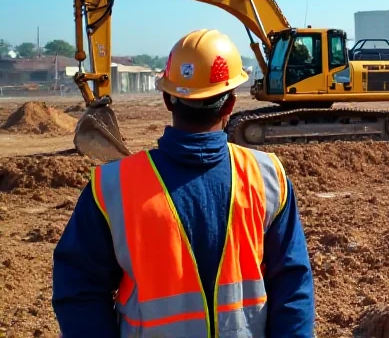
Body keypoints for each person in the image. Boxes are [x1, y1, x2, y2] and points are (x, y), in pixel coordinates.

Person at [52, 29, 315, 337]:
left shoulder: (111, 186)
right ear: (230, 104)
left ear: (167, 99)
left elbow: (80, 293)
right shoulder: (268, 177)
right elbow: (293, 287)